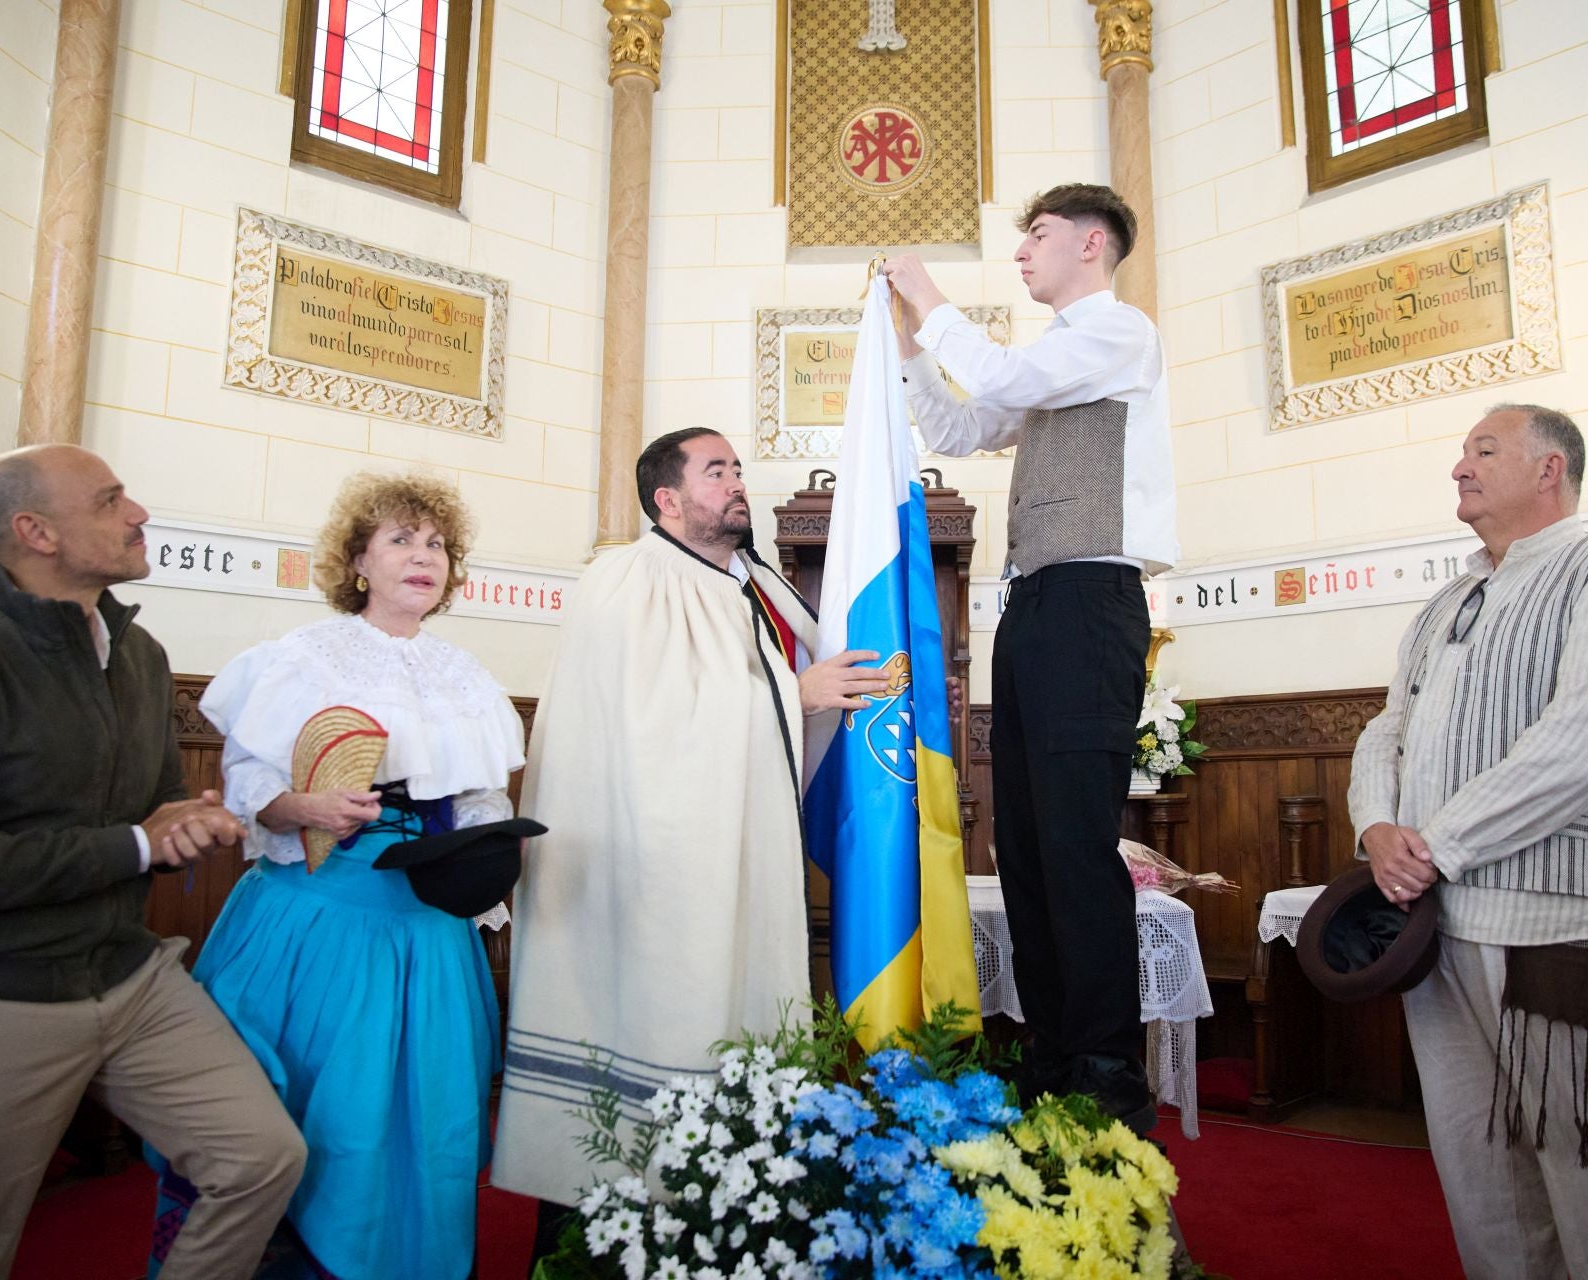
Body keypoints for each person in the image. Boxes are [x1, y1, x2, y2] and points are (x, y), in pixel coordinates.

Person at [0, 443, 306, 1280]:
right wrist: (144, 842)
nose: (138, 513)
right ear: (36, 532)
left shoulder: (138, 655)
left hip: (126, 973)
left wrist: (185, 824)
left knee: (261, 1156)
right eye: (111, 500)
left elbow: (152, 811)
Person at [492, 427, 884, 1212]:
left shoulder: (761, 585)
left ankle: (737, 1204)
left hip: (745, 851)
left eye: (738, 468)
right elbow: (652, 728)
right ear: (667, 499)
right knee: (656, 1033)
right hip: (649, 873)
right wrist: (792, 697)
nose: (737, 482)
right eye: (717, 471)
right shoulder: (623, 579)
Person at [1347, 405, 1588, 1277]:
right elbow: (1386, 730)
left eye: (1484, 451)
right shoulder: (1449, 600)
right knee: (1479, 1165)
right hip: (1440, 927)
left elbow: (1583, 742)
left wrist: (1435, 843)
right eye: (1464, 452)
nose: (1458, 468)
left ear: (1550, 470)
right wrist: (1375, 826)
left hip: (1557, 924)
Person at [148, 472, 527, 1280]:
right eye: (401, 540)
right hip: (314, 923)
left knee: (422, 1126)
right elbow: (248, 789)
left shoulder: (466, 677)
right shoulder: (302, 660)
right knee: (309, 1117)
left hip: (427, 933)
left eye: (437, 546)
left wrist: (492, 846)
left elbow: (484, 796)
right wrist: (306, 806)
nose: (423, 557)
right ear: (358, 561)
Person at [882, 183, 1178, 1126]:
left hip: (1091, 601)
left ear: (1093, 243)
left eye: (1037, 236)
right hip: (1039, 605)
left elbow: (1000, 381)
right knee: (1028, 846)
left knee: (1075, 845)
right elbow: (965, 427)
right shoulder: (1059, 360)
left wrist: (928, 298)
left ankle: (1103, 1066)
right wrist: (902, 355)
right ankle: (1053, 1053)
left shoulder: (1118, 331)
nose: (1022, 253)